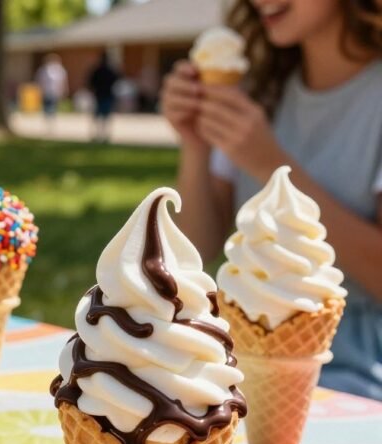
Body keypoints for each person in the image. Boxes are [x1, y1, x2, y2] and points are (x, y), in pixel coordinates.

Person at [161, 0, 382, 399]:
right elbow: (199, 247)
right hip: (240, 352)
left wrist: (271, 165)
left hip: (353, 368)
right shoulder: (261, 92)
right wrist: (195, 145)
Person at [87, 51, 119, 143]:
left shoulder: (98, 70)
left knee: (98, 116)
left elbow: (90, 82)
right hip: (106, 95)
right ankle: (104, 135)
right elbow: (116, 80)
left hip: (99, 95)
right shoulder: (110, 70)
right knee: (105, 117)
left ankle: (98, 135)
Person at [36, 54, 67, 128]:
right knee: (48, 106)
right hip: (48, 91)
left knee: (51, 106)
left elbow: (62, 82)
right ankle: (49, 121)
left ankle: (50, 121)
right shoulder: (44, 70)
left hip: (53, 91)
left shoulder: (58, 70)